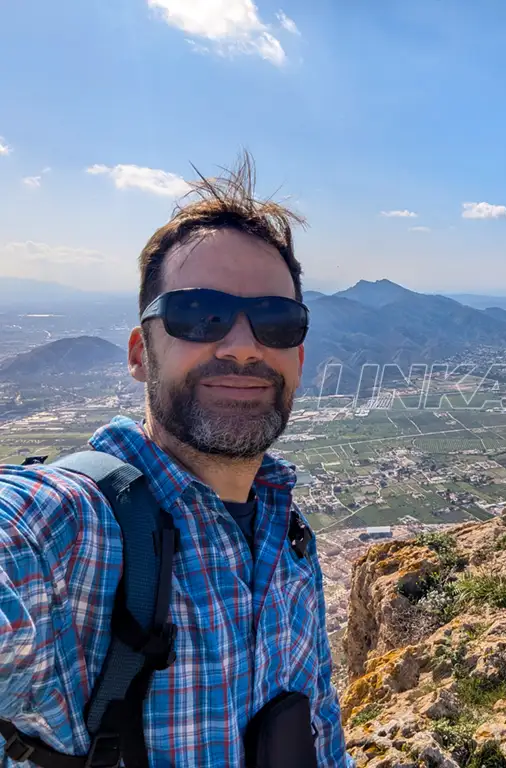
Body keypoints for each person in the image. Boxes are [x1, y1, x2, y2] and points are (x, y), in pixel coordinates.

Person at [0, 154, 353, 767]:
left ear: (299, 358)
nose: (243, 347)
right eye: (198, 315)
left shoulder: (291, 539)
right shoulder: (67, 533)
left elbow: (323, 734)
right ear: (140, 353)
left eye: (276, 322)